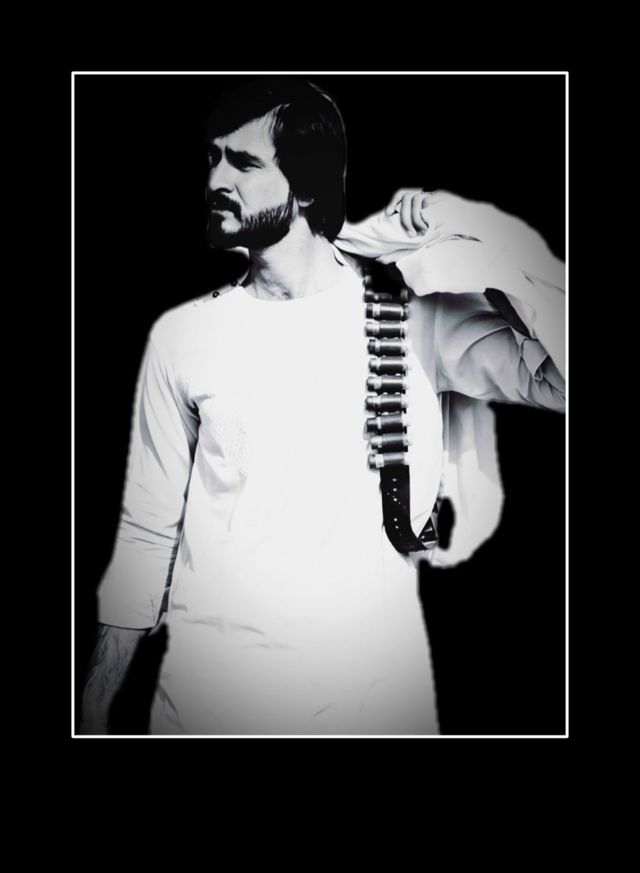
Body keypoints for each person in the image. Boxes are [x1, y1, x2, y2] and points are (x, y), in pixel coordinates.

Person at [79, 76, 565, 736]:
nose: (217, 178)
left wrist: (478, 234)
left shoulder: (416, 318)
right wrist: (93, 706)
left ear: (307, 188)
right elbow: (146, 532)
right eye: (213, 157)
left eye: (244, 162)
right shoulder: (182, 336)